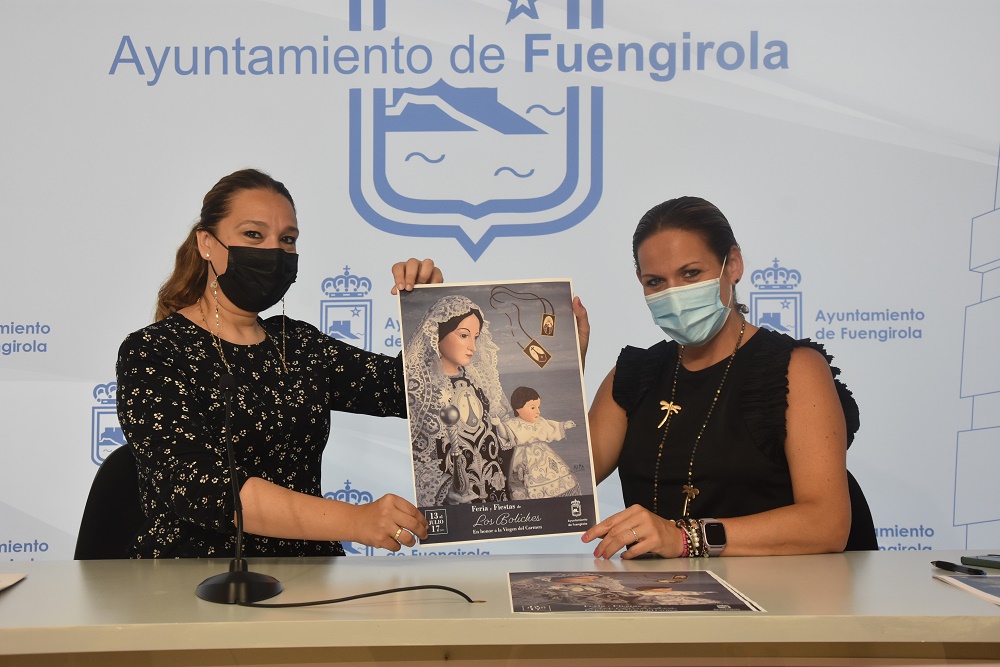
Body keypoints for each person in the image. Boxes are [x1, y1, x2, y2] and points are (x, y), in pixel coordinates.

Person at [116, 168, 439, 558]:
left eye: (287, 239)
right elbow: (201, 486)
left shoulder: (297, 344)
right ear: (206, 243)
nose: (274, 251)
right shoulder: (154, 350)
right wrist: (355, 520)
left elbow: (410, 393)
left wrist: (427, 309)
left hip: (308, 573)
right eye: (254, 234)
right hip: (194, 577)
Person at [580, 196, 862, 559]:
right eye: (656, 281)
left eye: (691, 274)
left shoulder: (794, 369)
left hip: (772, 591)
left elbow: (827, 524)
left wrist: (684, 538)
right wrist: (559, 371)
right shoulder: (633, 375)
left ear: (733, 265)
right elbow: (550, 490)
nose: (674, 294)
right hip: (658, 590)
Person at [404, 295, 513, 506]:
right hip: (455, 504)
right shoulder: (420, 389)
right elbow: (413, 457)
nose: (473, 346)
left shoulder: (480, 383)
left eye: (476, 337)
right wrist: (444, 487)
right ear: (438, 333)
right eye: (464, 335)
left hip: (495, 494)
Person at [505, 386, 582, 500]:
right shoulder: (513, 424)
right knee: (524, 480)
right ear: (518, 408)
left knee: (555, 473)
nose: (538, 411)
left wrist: (563, 425)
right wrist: (498, 424)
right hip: (523, 457)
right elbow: (505, 434)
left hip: (544, 455)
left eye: (538, 407)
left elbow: (550, 428)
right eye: (533, 407)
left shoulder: (540, 422)